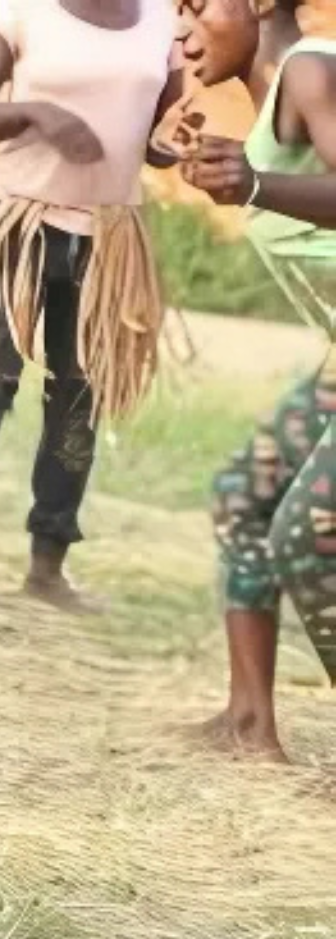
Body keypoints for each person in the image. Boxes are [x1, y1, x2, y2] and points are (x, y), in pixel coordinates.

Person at [0, 0, 201, 612]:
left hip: (109, 239)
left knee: (78, 401)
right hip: (18, 227)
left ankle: (48, 566)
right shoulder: (22, 11)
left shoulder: (161, 21)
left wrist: (178, 143)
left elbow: (157, 140)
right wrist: (38, 114)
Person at [183, 0, 336, 760]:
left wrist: (253, 187)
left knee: (308, 534)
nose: (180, 31)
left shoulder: (312, 70)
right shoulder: (274, 103)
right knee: (244, 498)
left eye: (193, 7)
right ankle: (248, 726)